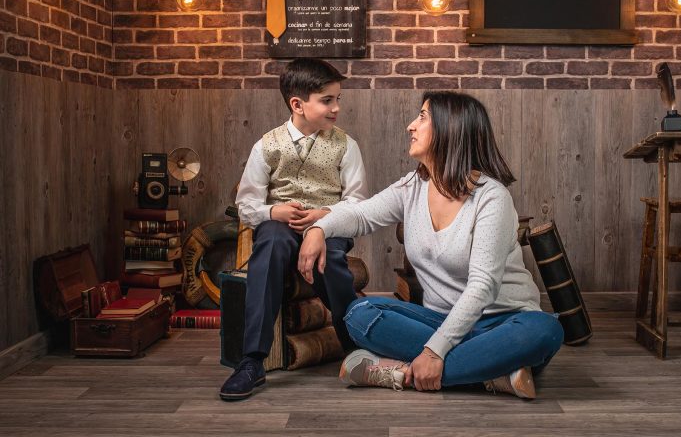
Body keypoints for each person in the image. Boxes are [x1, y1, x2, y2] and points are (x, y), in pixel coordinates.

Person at [298, 91, 563, 399]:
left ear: (451, 130)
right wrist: (319, 227)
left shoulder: (492, 198)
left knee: (545, 330)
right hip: (439, 319)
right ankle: (496, 373)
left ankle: (401, 375)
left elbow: (482, 287)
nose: (411, 126)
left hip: (502, 321)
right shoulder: (412, 187)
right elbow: (360, 215)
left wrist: (435, 352)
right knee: (360, 313)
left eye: (422, 117)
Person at [219, 58, 368, 401]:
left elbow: (358, 204)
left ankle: (356, 346)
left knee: (329, 260)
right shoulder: (266, 146)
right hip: (281, 227)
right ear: (297, 104)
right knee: (270, 242)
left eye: (338, 99)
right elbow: (247, 205)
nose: (337, 108)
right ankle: (252, 360)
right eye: (328, 100)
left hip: (330, 226)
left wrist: (323, 215)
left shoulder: (346, 145)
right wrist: (276, 210)